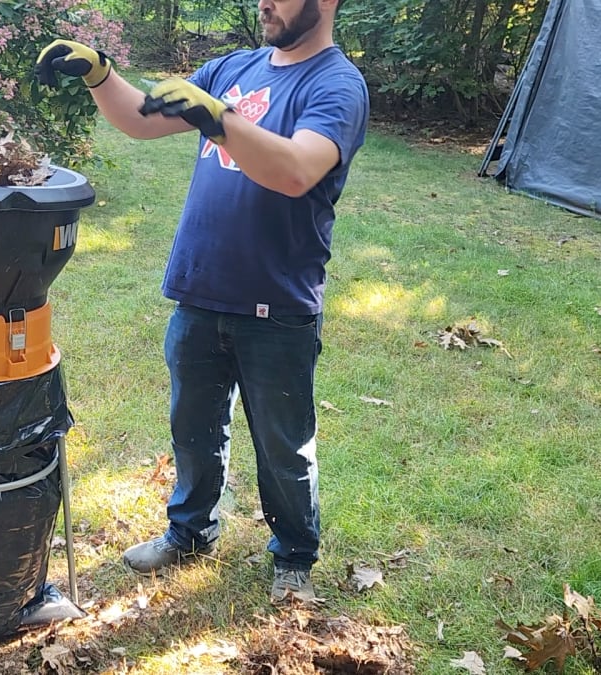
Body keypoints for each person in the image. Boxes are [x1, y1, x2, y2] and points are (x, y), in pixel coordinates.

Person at [36, 0, 368, 604]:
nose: (264, 2)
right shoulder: (232, 68)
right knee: (193, 429)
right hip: (200, 290)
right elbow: (141, 118)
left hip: (277, 305)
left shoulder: (337, 84)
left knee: (283, 446)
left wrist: (221, 121)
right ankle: (189, 532)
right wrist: (100, 75)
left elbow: (297, 170)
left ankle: (294, 557)